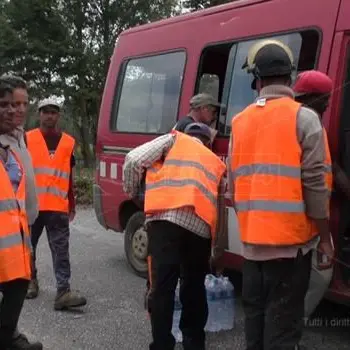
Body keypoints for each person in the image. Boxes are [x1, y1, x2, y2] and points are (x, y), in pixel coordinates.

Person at [228, 39, 334, 350]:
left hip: (251, 252)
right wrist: (325, 238)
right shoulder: (305, 118)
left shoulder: (239, 122)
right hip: (291, 253)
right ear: (289, 78)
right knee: (284, 332)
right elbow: (316, 187)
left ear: (256, 80)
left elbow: (234, 187)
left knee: (256, 329)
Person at [123, 122, 227, 350]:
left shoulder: (173, 139)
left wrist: (134, 195)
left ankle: (161, 344)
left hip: (164, 222)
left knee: (163, 288)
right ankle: (194, 343)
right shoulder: (215, 161)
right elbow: (219, 212)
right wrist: (216, 251)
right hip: (199, 228)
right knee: (194, 288)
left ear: (187, 134)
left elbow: (133, 159)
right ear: (208, 142)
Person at [25, 98, 86, 311]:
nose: (49, 115)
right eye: (46, 112)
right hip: (31, 205)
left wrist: (72, 202)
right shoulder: (27, 139)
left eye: (53, 112)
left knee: (61, 250)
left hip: (58, 207)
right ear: (39, 114)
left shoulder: (68, 142)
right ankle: (30, 281)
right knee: (27, 247)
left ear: (58, 115)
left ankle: (63, 291)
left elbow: (69, 176)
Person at [0, 81, 42, 349]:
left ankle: (9, 337)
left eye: (21, 104)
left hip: (18, 233)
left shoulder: (19, 137)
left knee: (17, 288)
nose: (14, 110)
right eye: (5, 105)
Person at [294, 70, 350, 198]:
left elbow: (334, 168)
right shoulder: (297, 126)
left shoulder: (315, 126)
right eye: (324, 99)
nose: (327, 104)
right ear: (307, 97)